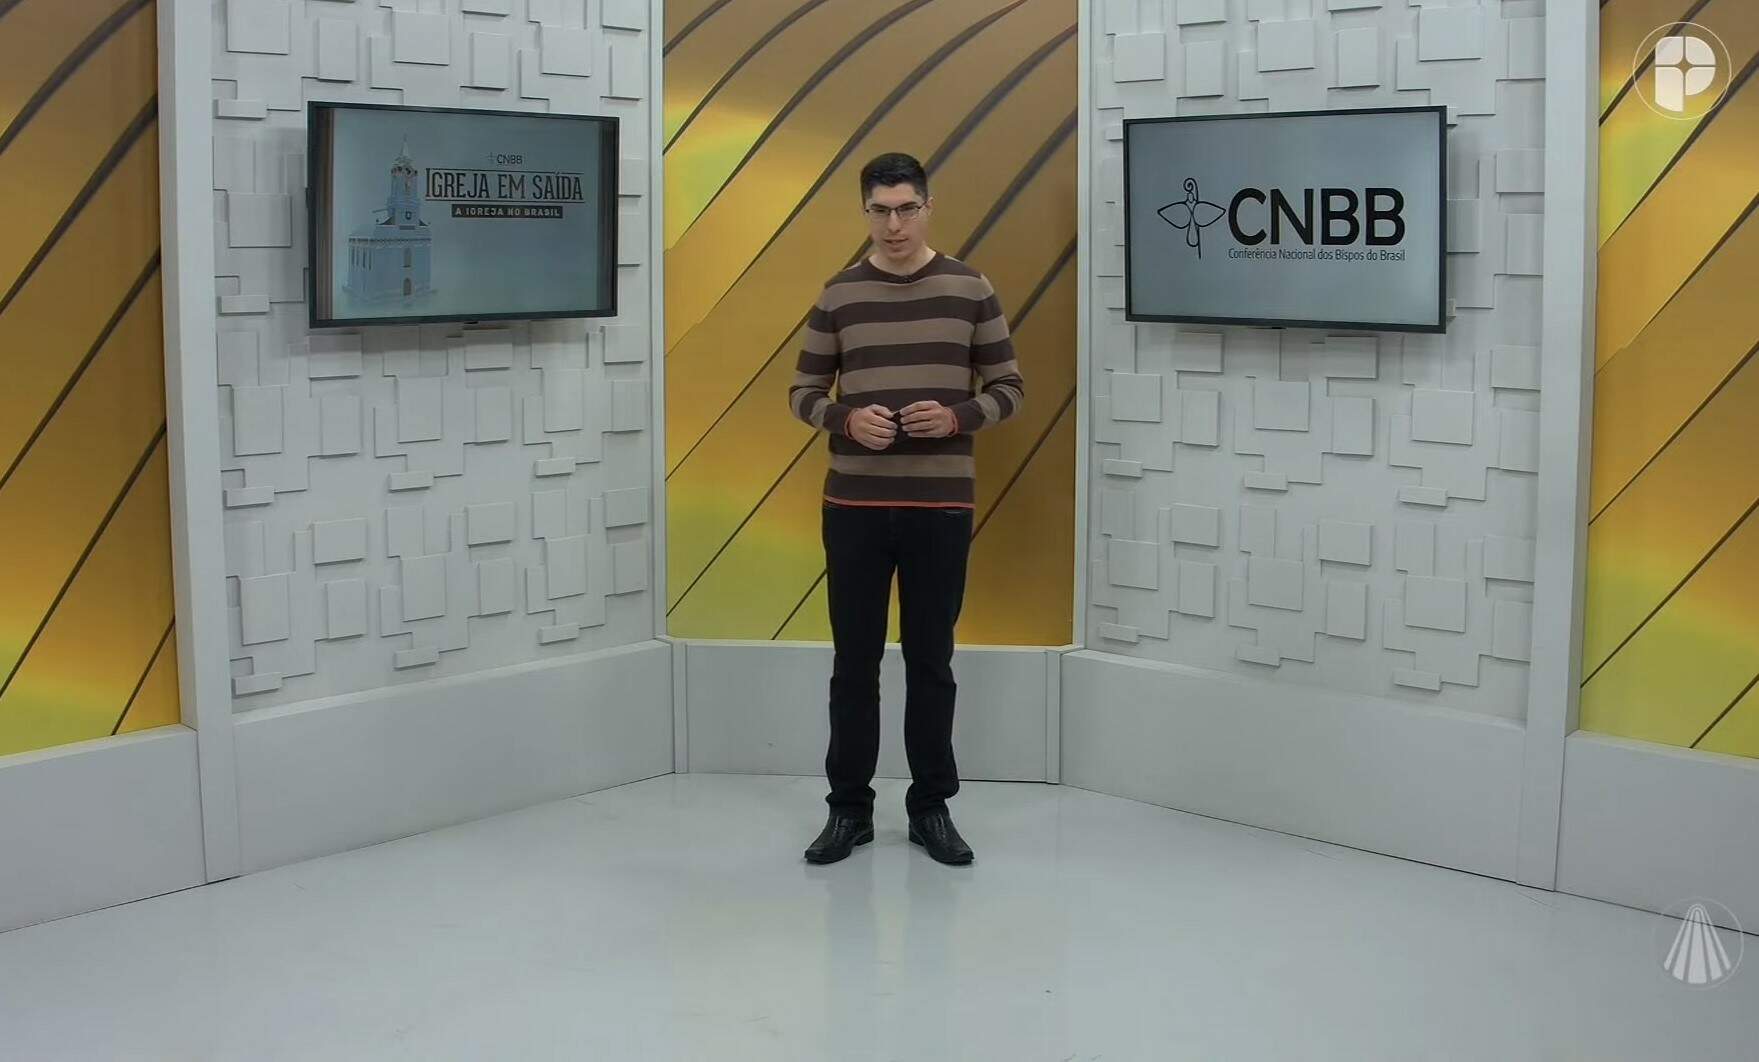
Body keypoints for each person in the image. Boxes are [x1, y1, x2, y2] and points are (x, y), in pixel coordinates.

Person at [787, 152, 1025, 866]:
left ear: (927, 207)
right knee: (852, 664)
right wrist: (843, 419)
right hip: (854, 507)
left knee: (931, 662)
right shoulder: (839, 293)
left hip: (940, 508)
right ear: (865, 211)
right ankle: (848, 812)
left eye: (906, 209)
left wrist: (957, 417)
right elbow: (802, 392)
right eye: (881, 211)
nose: (894, 224)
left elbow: (1009, 387)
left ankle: (930, 809)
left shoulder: (969, 287)